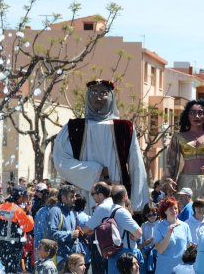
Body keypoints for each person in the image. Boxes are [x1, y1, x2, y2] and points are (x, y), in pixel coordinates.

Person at [53, 79, 149, 214]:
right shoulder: (74, 127)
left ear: (111, 96)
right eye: (94, 92)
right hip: (84, 195)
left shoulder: (124, 128)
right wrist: (95, 171)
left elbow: (136, 166)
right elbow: (61, 161)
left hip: (116, 195)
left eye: (103, 92)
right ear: (88, 95)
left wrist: (139, 203)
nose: (98, 96)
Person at [162, 99, 204, 199]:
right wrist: (168, 180)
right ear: (187, 116)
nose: (197, 116)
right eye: (192, 113)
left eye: (201, 113)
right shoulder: (177, 137)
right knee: (186, 211)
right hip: (184, 182)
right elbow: (171, 163)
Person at [0, 185, 34, 273]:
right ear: (21, 198)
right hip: (13, 248)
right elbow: (29, 227)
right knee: (11, 271)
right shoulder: (18, 210)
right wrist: (28, 212)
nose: (27, 199)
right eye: (26, 197)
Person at [106, 185, 144, 274]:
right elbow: (138, 233)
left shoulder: (109, 210)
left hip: (113, 253)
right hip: (125, 255)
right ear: (125, 197)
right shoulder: (122, 212)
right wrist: (136, 236)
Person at [154, 197, 192, 274]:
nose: (174, 211)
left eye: (175, 208)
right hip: (164, 269)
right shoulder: (158, 226)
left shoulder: (185, 226)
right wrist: (168, 234)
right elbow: (160, 250)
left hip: (181, 270)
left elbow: (189, 248)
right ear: (165, 211)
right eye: (171, 209)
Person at [48, 185, 81, 272]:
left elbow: (76, 233)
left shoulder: (72, 211)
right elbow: (52, 234)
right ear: (63, 197)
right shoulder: (55, 211)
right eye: (71, 197)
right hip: (60, 257)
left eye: (75, 196)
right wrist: (70, 234)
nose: (74, 199)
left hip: (73, 257)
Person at [33, 187, 58, 262]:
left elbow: (36, 229)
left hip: (38, 244)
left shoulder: (41, 210)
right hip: (48, 246)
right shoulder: (54, 212)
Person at [140, 202, 159, 273]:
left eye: (154, 214)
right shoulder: (143, 225)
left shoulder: (160, 224)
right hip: (146, 253)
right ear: (145, 215)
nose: (152, 217)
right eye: (149, 215)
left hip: (158, 254)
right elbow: (141, 242)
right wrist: (147, 242)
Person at [73, 194, 91, 272]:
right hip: (85, 251)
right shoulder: (88, 218)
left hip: (73, 249)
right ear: (85, 205)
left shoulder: (70, 216)